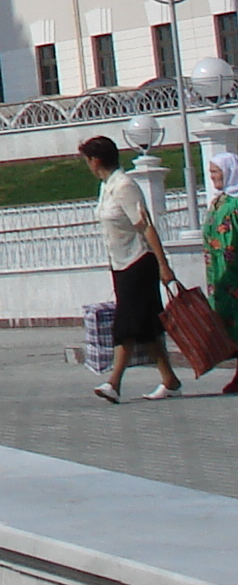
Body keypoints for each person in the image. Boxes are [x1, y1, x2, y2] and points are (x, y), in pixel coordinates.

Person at [82, 135, 182, 402]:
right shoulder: (107, 187)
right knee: (146, 326)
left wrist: (163, 264)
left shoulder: (125, 186)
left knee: (126, 324)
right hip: (121, 264)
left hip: (139, 262)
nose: (88, 166)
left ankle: (114, 382)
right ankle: (170, 379)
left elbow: (145, 225)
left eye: (88, 160)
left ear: (96, 160)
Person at [203, 135, 238, 395]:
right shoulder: (218, 202)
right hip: (220, 276)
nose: (213, 176)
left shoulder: (235, 204)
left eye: (216, 172)